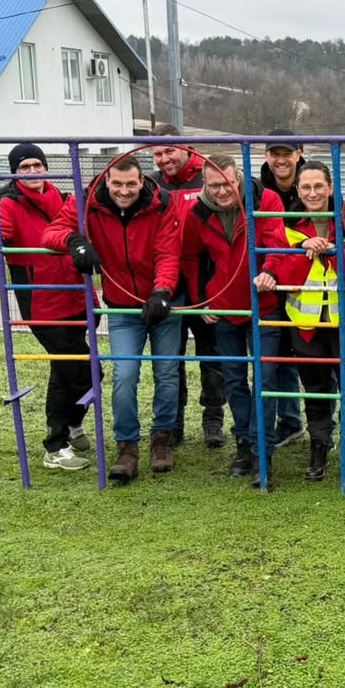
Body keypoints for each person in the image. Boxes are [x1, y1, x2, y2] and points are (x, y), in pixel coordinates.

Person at [43, 155, 182, 484]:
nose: (124, 190)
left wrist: (162, 291)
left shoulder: (161, 202)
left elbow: (167, 252)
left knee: (167, 372)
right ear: (106, 181)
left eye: (131, 183)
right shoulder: (87, 201)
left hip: (164, 303)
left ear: (141, 181)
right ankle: (127, 446)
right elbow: (51, 232)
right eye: (117, 183)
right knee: (124, 374)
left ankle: (162, 439)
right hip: (122, 306)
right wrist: (74, 241)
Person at [257, 161, 345, 481]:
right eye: (306, 187)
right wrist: (302, 249)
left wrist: (335, 251)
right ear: (298, 191)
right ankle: (319, 448)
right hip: (307, 327)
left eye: (318, 186)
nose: (313, 193)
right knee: (314, 391)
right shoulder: (288, 226)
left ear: (330, 188)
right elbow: (284, 275)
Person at [0, 143, 95, 471]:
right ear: (14, 173)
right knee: (84, 370)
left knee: (66, 372)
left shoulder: (62, 198)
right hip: (41, 301)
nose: (33, 172)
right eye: (25, 167)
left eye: (38, 165)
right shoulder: (8, 204)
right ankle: (56, 444)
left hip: (75, 295)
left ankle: (70, 427)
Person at [181, 152, 286, 488]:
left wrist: (270, 271)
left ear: (238, 177)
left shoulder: (265, 200)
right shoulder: (197, 212)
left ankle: (261, 451)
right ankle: (243, 443)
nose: (223, 191)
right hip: (225, 309)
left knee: (265, 380)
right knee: (233, 379)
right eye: (214, 186)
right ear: (204, 184)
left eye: (228, 183)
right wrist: (201, 300)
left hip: (263, 305)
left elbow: (277, 242)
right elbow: (190, 258)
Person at [149, 123, 226, 450]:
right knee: (170, 358)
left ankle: (213, 419)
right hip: (167, 284)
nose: (164, 159)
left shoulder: (208, 176)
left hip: (207, 283)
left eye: (170, 151)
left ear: (186, 147)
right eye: (157, 154)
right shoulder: (150, 184)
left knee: (212, 354)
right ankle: (174, 422)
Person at [259, 128, 307, 449]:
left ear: (298, 154)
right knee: (278, 357)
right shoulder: (259, 191)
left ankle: (323, 426)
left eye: (286, 153)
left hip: (308, 282)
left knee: (314, 357)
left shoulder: (313, 182)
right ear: (266, 156)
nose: (280, 160)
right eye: (274, 154)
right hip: (272, 281)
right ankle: (289, 421)